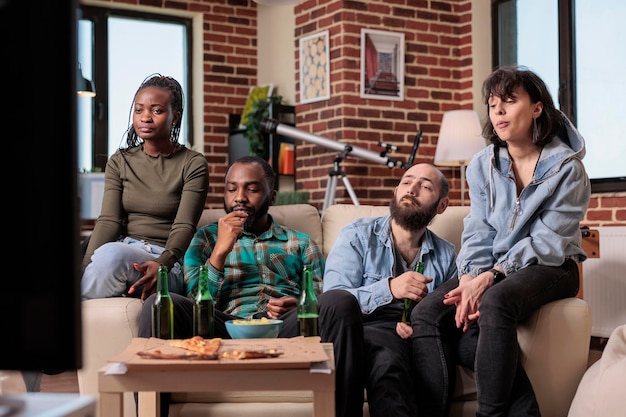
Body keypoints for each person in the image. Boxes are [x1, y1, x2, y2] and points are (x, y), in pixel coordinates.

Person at [411, 65, 591, 417]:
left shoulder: (568, 169)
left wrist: (492, 277)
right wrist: (468, 277)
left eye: (509, 101)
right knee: (427, 313)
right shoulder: (482, 165)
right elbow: (478, 228)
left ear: (537, 107)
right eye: (493, 104)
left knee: (495, 303)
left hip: (552, 265)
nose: (499, 112)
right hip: (493, 267)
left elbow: (549, 241)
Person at [137, 155, 329, 416]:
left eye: (251, 189)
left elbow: (321, 297)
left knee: (339, 301)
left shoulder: (301, 243)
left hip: (283, 326)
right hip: (222, 326)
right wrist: (220, 251)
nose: (239, 197)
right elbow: (196, 302)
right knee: (156, 304)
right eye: (231, 189)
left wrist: (302, 305)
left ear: (271, 197)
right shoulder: (204, 239)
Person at [322, 163, 457, 417]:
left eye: (425, 186)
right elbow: (334, 301)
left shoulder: (446, 254)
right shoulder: (357, 236)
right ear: (396, 192)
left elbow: (447, 310)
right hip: (362, 330)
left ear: (441, 206)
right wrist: (390, 288)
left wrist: (417, 326)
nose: (412, 190)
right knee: (387, 363)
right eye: (406, 182)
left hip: (415, 337)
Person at [81, 74, 209, 302]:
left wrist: (161, 266)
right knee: (107, 255)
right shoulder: (120, 160)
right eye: (139, 110)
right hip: (121, 253)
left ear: (175, 118)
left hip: (166, 263)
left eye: (156, 111)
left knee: (111, 255)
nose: (145, 118)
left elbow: (185, 226)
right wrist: (83, 268)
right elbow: (109, 221)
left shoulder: (193, 163)